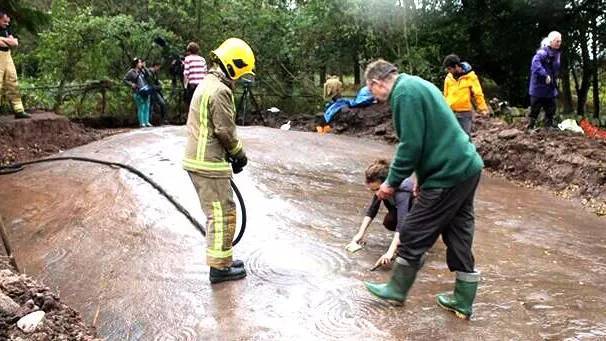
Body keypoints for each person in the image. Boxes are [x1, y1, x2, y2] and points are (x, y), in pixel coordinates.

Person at [362, 59, 483, 320]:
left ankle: (396, 289)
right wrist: (420, 177)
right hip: (467, 166)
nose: (374, 97)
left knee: (413, 229)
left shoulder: (402, 94)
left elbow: (411, 146)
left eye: (370, 91)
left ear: (376, 82)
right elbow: (431, 135)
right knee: (458, 231)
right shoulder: (416, 84)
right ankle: (463, 300)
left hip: (447, 173)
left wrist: (391, 183)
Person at [183, 38, 254, 284]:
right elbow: (225, 130)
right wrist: (239, 154)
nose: (238, 81)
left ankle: (222, 259)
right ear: (233, 66)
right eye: (240, 74)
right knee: (222, 214)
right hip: (208, 163)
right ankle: (220, 269)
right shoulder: (221, 90)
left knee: (219, 212)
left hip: (202, 160)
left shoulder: (208, 82)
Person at [346, 159, 415, 269]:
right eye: (374, 190)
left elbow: (402, 224)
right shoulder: (381, 190)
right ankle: (401, 241)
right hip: (398, 211)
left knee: (407, 237)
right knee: (389, 221)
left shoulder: (402, 192)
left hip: (416, 215)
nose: (377, 193)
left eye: (378, 189)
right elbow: (371, 211)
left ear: (387, 183)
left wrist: (389, 253)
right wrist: (360, 234)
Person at [442, 54, 489, 135]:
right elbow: (446, 94)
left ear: (456, 66)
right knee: (452, 136)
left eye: (450, 69)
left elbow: (478, 94)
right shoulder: (448, 78)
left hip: (464, 112)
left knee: (465, 135)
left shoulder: (471, 77)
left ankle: (469, 148)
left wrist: (483, 109)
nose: (449, 71)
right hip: (450, 111)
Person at [528, 31, 561, 130]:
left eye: (560, 41)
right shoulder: (542, 53)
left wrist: (555, 78)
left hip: (550, 88)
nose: (559, 43)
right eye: (557, 41)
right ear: (551, 41)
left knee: (551, 107)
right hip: (539, 87)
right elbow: (535, 64)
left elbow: (555, 68)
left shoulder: (557, 54)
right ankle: (530, 127)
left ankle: (549, 126)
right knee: (535, 108)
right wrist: (545, 75)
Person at [0, 10, 29, 119]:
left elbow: (15, 43)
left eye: (8, 22)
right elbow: (8, 42)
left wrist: (3, 39)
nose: (7, 24)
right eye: (4, 21)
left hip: (7, 55)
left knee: (13, 80)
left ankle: (19, 110)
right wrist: (7, 41)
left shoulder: (6, 29)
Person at [123, 58, 152, 127]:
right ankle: (142, 123)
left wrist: (144, 67)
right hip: (137, 91)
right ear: (136, 64)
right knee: (141, 106)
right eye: (139, 62)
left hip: (145, 90)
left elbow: (149, 75)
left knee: (147, 106)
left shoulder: (142, 71)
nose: (141, 64)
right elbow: (124, 79)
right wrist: (131, 84)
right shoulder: (131, 71)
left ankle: (147, 121)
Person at [183, 42, 208, 108]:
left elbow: (186, 74)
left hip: (192, 86)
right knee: (200, 105)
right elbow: (205, 73)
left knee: (191, 105)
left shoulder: (188, 59)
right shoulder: (202, 59)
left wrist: (185, 87)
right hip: (202, 86)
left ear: (189, 50)